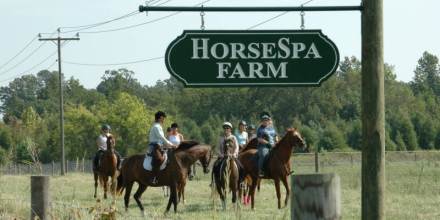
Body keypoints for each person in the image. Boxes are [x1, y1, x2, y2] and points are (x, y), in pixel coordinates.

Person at [147, 111, 177, 184]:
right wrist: (171, 144)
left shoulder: (159, 126)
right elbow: (162, 138)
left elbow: (162, 140)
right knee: (159, 159)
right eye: (163, 118)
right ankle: (153, 177)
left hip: (159, 146)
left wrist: (170, 146)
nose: (164, 120)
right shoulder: (156, 127)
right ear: (160, 118)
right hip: (154, 146)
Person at [257, 112, 278, 177]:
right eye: (264, 120)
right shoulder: (260, 129)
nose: (265, 121)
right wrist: (268, 143)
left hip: (273, 145)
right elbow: (259, 139)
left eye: (266, 120)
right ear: (262, 121)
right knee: (263, 155)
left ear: (268, 121)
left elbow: (275, 135)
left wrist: (276, 141)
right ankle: (260, 171)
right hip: (263, 146)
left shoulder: (271, 128)